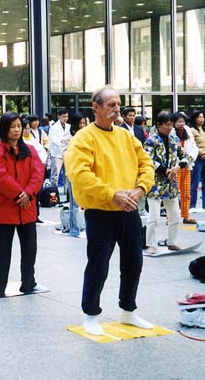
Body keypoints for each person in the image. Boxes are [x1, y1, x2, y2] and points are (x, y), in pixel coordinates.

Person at [65, 86, 155, 336]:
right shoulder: (84, 137)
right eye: (111, 105)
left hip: (129, 209)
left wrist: (140, 189)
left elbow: (146, 164)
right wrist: (111, 194)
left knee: (133, 262)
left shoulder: (126, 136)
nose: (117, 109)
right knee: (98, 265)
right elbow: (79, 175)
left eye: (118, 104)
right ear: (96, 107)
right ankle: (91, 314)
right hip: (100, 211)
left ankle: (128, 310)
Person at [0, 112, 45, 298]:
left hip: (27, 209)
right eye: (12, 127)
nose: (17, 130)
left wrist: (29, 193)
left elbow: (38, 173)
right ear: (4, 129)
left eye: (19, 126)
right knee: (2, 251)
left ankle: (28, 283)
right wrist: (20, 194)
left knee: (30, 249)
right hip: (5, 209)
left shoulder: (30, 150)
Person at [143, 113, 188, 254]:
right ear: (159, 125)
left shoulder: (175, 139)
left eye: (171, 124)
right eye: (167, 124)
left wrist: (178, 167)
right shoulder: (151, 141)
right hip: (155, 183)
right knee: (154, 218)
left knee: (175, 216)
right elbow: (148, 159)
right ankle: (150, 244)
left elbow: (184, 156)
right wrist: (165, 170)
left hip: (171, 183)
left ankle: (172, 242)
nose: (170, 127)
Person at [60, 112, 88, 235]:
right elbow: (65, 155)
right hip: (74, 172)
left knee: (88, 203)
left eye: (84, 123)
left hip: (87, 172)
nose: (82, 125)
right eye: (80, 123)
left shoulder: (88, 135)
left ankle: (86, 228)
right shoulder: (68, 137)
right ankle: (74, 229)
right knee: (75, 203)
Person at [172, 112, 198, 224]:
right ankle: (170, 217)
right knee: (173, 193)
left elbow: (194, 147)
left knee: (186, 193)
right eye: (179, 122)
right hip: (175, 166)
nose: (181, 124)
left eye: (182, 121)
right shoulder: (171, 132)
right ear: (174, 123)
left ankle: (186, 216)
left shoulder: (187, 130)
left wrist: (190, 158)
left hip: (187, 165)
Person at [48, 107, 71, 189]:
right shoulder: (54, 127)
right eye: (63, 117)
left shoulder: (69, 126)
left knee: (67, 175)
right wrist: (64, 143)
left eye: (66, 116)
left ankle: (67, 192)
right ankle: (54, 193)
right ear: (59, 116)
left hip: (67, 153)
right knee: (55, 175)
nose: (65, 118)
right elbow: (54, 140)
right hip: (57, 154)